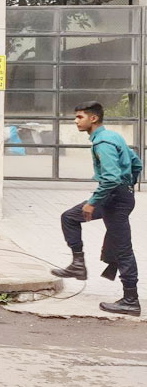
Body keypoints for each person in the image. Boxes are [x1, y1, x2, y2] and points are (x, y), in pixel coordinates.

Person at [51, 101, 141, 316]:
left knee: (123, 248)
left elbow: (110, 178)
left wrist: (94, 202)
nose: (75, 121)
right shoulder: (113, 136)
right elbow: (137, 163)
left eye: (79, 117)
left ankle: (131, 301)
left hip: (113, 198)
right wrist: (129, 185)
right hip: (119, 196)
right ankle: (78, 265)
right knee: (70, 217)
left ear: (93, 118)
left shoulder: (102, 143)